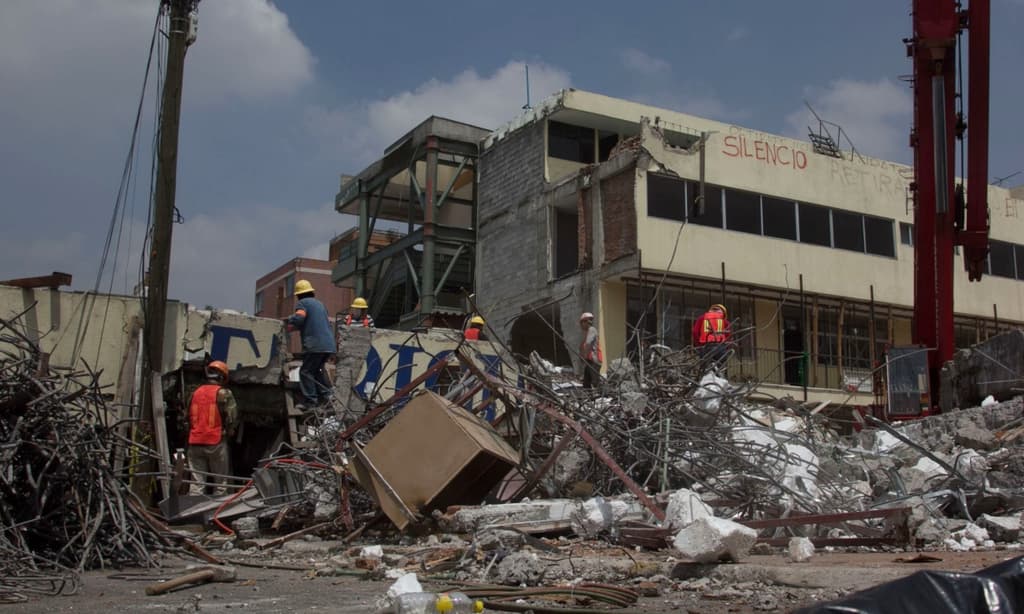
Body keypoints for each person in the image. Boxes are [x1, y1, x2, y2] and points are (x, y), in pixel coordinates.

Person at [187, 360, 238, 495]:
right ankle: (218, 511)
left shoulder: (195, 392)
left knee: (197, 484)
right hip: (215, 441)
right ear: (222, 378)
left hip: (195, 441)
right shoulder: (224, 394)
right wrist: (230, 430)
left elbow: (187, 415)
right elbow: (232, 417)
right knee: (220, 484)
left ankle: (193, 510)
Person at [287, 279, 337, 408]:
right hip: (328, 345)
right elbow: (314, 323)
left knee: (305, 372)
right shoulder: (320, 305)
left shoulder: (302, 303)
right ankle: (327, 396)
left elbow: (300, 318)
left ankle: (311, 400)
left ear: (299, 295)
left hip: (315, 345)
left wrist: (288, 320)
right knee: (317, 371)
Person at [692, 303, 731, 368]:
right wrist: (727, 348)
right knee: (719, 370)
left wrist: (698, 345)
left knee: (705, 370)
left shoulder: (702, 318)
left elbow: (695, 332)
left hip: (705, 347)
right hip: (720, 348)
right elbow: (728, 337)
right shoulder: (725, 322)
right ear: (723, 313)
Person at [578, 312, 603, 389]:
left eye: (582, 322)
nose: (581, 325)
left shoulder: (592, 330)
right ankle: (590, 396)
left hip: (594, 361)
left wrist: (584, 356)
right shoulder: (588, 332)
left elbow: (588, 344)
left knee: (594, 382)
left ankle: (600, 396)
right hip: (590, 361)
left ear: (586, 321)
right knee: (586, 383)